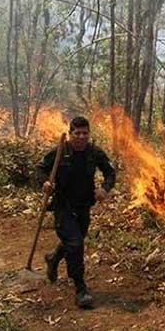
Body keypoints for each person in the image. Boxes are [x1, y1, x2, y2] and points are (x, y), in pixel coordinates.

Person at [36, 116, 116, 308]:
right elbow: (40, 169)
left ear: (89, 134)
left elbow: (110, 172)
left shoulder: (94, 153)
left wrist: (104, 189)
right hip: (63, 206)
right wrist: (45, 182)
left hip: (84, 206)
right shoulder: (60, 152)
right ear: (70, 134)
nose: (81, 137)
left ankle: (53, 258)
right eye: (77, 133)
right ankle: (80, 288)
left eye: (84, 133)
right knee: (75, 243)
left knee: (75, 239)